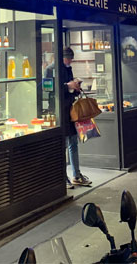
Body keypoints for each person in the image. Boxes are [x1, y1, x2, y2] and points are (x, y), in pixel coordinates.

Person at [62, 47, 91, 188]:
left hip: (71, 111)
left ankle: (76, 175)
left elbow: (69, 89)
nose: (70, 61)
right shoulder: (51, 69)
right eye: (69, 58)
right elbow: (49, 88)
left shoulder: (68, 69)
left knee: (73, 143)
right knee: (63, 146)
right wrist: (68, 86)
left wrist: (75, 86)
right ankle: (63, 177)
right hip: (61, 113)